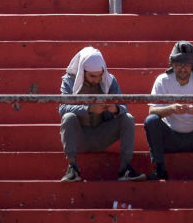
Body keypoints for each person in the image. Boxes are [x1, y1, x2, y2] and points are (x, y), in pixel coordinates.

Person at [58, 45, 146, 182]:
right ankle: (72, 167)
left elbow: (124, 107)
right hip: (80, 135)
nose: (97, 80)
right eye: (92, 76)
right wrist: (89, 109)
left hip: (102, 133)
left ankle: (126, 168)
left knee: (127, 118)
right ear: (82, 71)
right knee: (68, 117)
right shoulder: (69, 81)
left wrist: (116, 109)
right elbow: (62, 109)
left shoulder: (109, 80)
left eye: (100, 75)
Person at [142, 41, 193, 180]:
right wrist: (171, 109)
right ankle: (159, 169)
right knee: (151, 121)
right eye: (178, 65)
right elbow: (152, 110)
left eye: (186, 65)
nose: (182, 69)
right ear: (172, 65)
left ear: (192, 65)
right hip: (170, 137)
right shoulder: (162, 80)